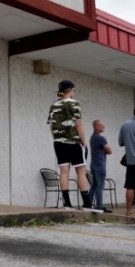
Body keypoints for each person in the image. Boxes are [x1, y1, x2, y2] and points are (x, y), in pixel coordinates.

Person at [47, 79, 97, 212]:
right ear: (70, 90)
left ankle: (67, 203)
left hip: (58, 143)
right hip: (74, 142)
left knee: (64, 172)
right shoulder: (75, 104)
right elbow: (78, 124)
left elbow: (51, 127)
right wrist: (84, 141)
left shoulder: (54, 105)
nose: (75, 92)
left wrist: (57, 139)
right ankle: (86, 203)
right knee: (81, 172)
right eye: (74, 90)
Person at [89, 119, 113, 213]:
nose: (104, 127)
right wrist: (105, 150)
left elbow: (106, 150)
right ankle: (99, 205)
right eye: (102, 125)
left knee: (94, 185)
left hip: (93, 164)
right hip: (100, 164)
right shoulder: (100, 138)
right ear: (97, 126)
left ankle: (89, 203)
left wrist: (105, 150)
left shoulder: (92, 137)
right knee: (100, 185)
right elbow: (109, 151)